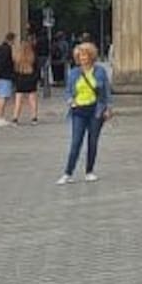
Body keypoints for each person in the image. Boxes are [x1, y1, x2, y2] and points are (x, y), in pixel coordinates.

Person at [57, 42, 112, 185]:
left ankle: (89, 171)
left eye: (85, 55)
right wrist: (71, 101)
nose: (83, 58)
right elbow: (68, 91)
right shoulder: (74, 72)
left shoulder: (100, 71)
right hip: (79, 110)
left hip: (96, 110)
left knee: (92, 142)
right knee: (76, 142)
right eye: (80, 55)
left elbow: (106, 92)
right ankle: (68, 173)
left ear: (91, 56)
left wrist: (108, 108)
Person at [0, 32, 17, 128]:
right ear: (12, 40)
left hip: (0, 75)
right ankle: (0, 117)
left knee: (1, 96)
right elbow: (6, 63)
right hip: (5, 76)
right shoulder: (7, 49)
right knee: (3, 97)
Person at [12, 39, 40, 124]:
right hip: (31, 79)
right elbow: (37, 69)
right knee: (32, 100)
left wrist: (15, 80)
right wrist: (36, 78)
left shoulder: (17, 58)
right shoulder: (33, 57)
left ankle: (15, 118)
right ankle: (34, 118)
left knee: (18, 100)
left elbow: (14, 71)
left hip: (20, 80)